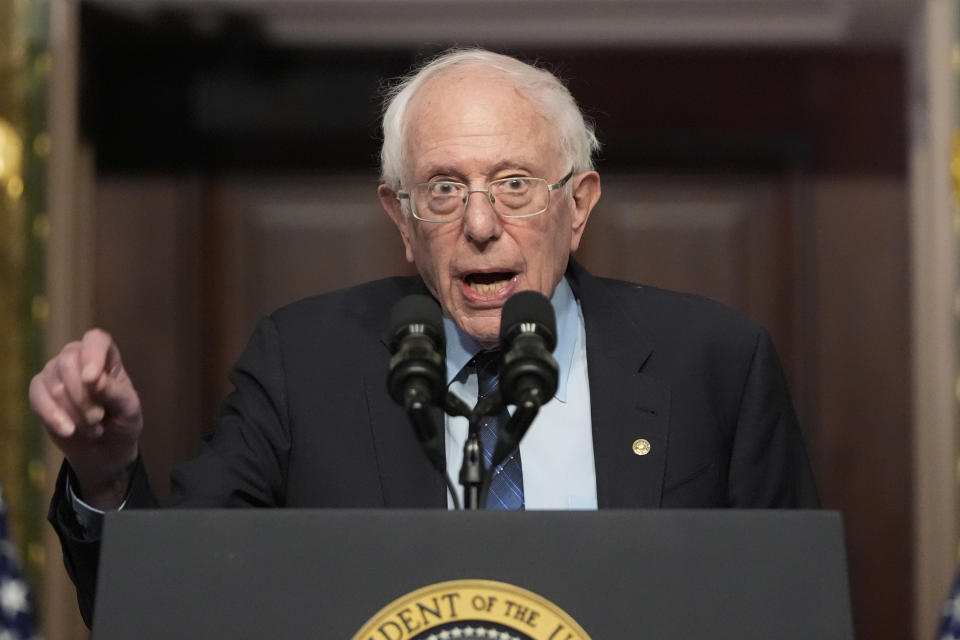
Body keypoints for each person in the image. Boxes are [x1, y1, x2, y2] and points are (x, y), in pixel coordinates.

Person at [29, 48, 819, 626]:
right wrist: (106, 477)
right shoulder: (305, 364)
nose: (479, 224)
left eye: (515, 185)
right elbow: (168, 614)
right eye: (444, 189)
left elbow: (794, 613)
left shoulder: (712, 364)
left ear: (578, 205)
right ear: (401, 221)